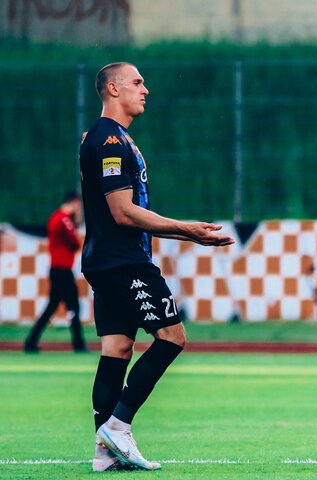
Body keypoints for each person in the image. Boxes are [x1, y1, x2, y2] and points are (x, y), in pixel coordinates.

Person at [81, 62, 234, 472]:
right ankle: (118, 427)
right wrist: (187, 230)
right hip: (123, 261)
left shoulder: (108, 137)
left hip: (106, 260)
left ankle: (105, 453)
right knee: (172, 338)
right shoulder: (110, 140)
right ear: (114, 89)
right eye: (137, 82)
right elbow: (123, 212)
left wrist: (186, 234)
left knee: (117, 348)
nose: (145, 89)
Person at [24, 191, 87, 353]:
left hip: (58, 269)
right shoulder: (63, 219)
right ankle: (78, 344)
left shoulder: (56, 218)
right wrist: (76, 220)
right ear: (74, 203)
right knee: (73, 306)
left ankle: (31, 342)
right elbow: (75, 243)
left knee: (52, 307)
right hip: (62, 271)